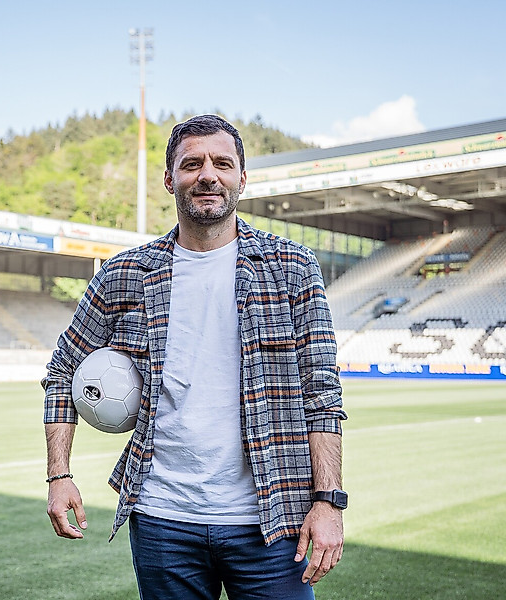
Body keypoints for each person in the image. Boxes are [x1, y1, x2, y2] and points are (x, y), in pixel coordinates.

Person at [43, 114, 347, 599]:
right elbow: (62, 370)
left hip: (273, 519)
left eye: (222, 164)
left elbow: (322, 394)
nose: (208, 175)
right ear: (170, 179)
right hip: (162, 519)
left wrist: (328, 502)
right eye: (191, 165)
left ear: (242, 178)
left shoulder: (292, 267)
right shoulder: (125, 273)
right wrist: (59, 475)